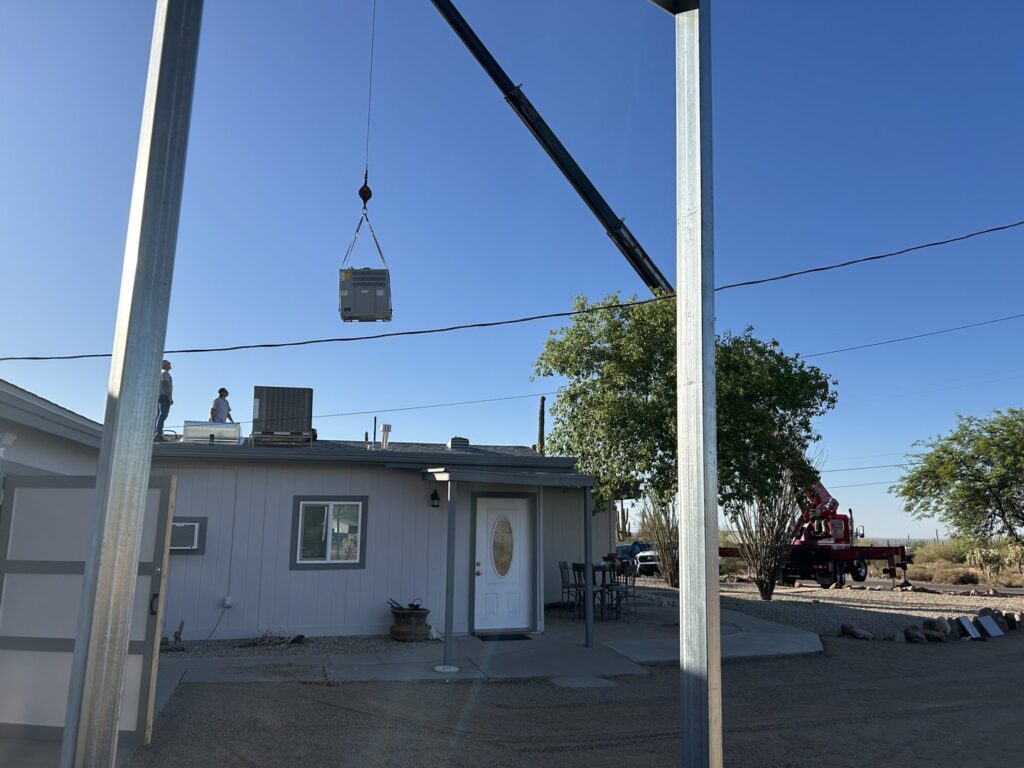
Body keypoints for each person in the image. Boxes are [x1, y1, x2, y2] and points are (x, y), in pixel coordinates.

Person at [154, 360, 173, 440]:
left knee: (158, 415)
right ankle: (158, 434)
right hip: (164, 396)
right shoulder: (164, 373)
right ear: (164, 365)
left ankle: (155, 433)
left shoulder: (159, 373)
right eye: (168, 364)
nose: (169, 365)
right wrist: (169, 397)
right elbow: (166, 384)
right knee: (163, 414)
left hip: (159, 396)